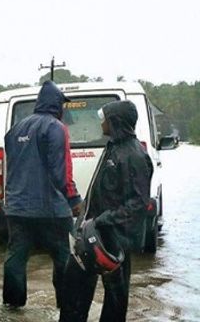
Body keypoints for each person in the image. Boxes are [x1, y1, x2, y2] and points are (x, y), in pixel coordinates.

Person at [60, 100, 153, 322]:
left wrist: (103, 220)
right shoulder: (113, 146)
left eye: (105, 118)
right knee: (74, 286)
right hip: (92, 233)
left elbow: (138, 204)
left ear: (116, 121)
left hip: (115, 238)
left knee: (115, 298)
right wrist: (84, 215)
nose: (101, 122)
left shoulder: (135, 155)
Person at [2, 81, 83, 309]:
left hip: (17, 209)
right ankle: (66, 306)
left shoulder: (15, 129)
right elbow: (61, 171)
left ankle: (12, 308)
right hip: (53, 211)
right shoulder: (56, 128)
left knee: (16, 259)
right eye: (62, 106)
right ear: (57, 105)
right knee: (64, 259)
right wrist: (74, 200)